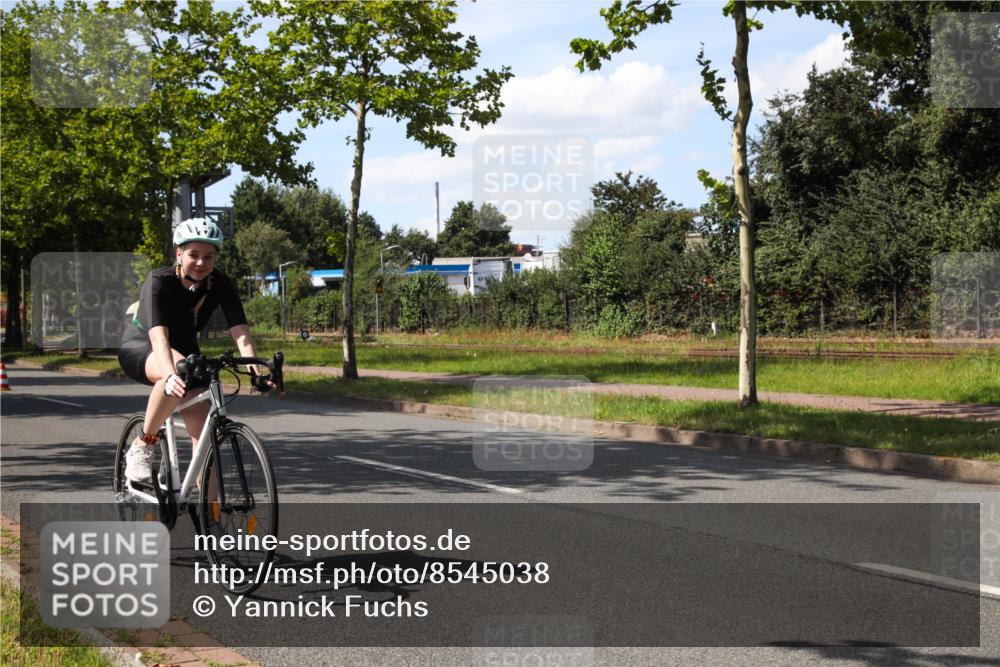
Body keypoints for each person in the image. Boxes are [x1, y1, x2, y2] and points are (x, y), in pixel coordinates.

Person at [118, 217, 274, 482]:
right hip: (142, 343)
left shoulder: (220, 284)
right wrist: (168, 375)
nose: (202, 263)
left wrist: (255, 369)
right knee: (178, 373)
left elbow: (240, 331)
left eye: (209, 257)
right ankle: (144, 444)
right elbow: (159, 337)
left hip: (186, 350)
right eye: (194, 254)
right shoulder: (159, 280)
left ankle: (210, 516)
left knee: (205, 441)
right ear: (179, 254)